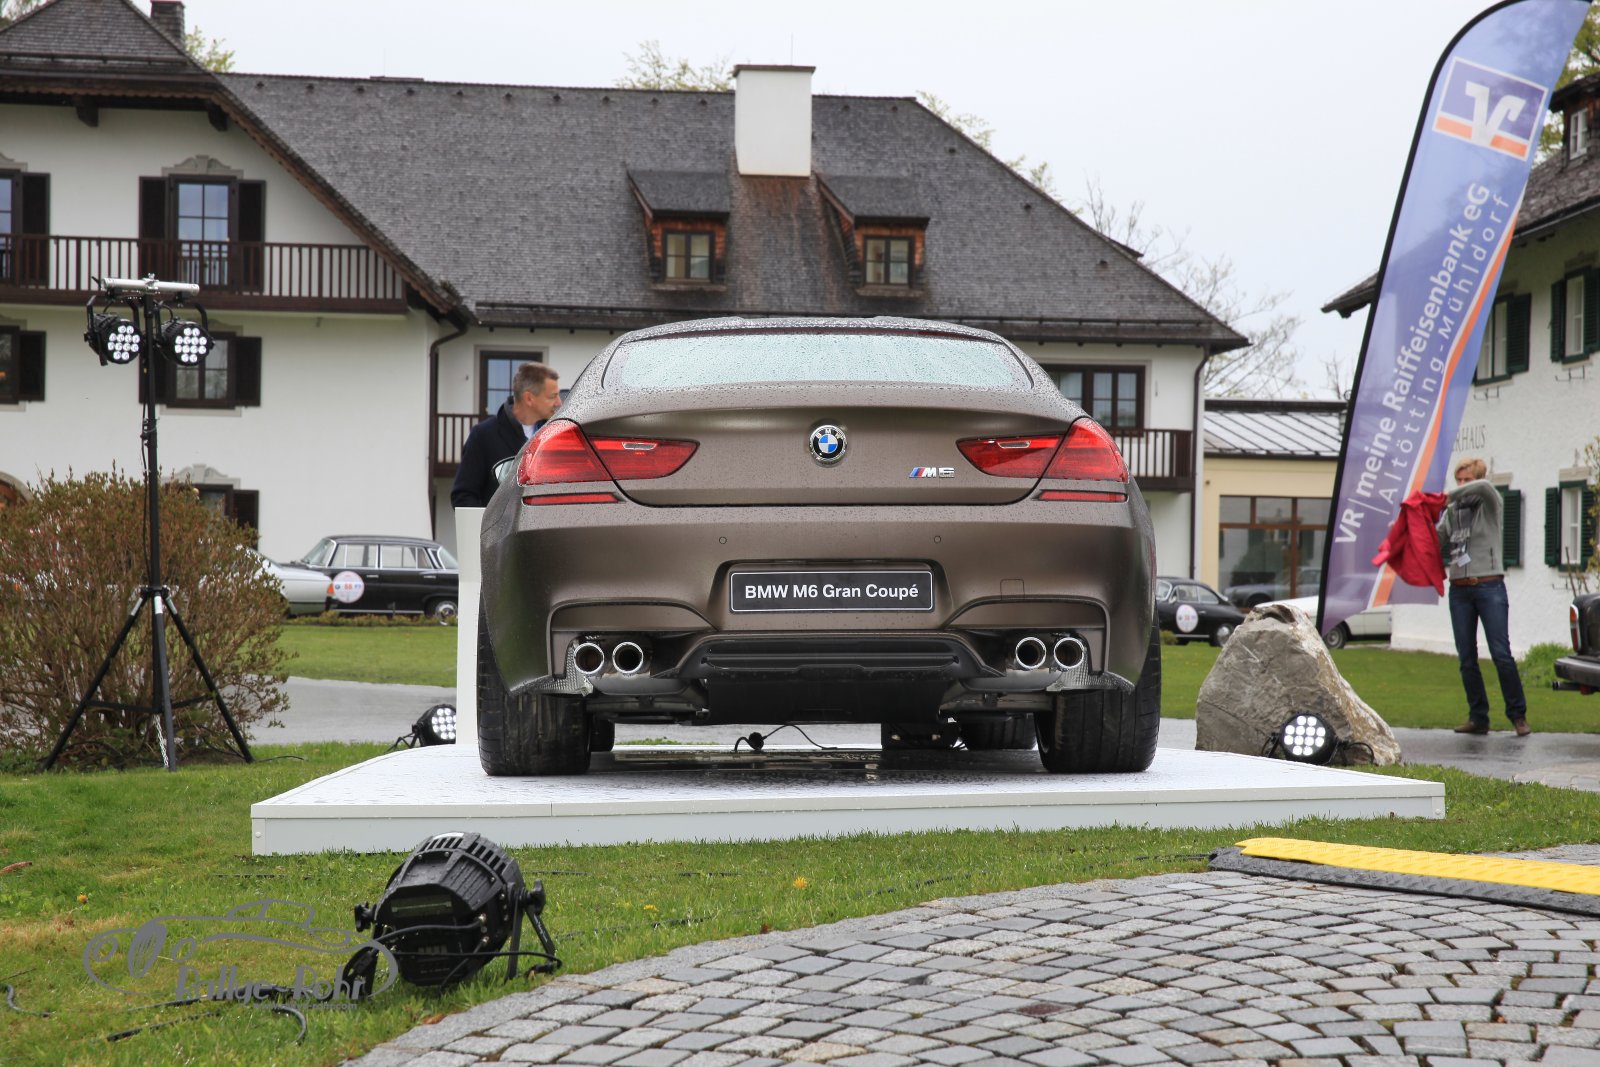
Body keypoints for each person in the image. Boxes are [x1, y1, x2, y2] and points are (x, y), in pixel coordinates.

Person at [1438, 457, 1528, 737]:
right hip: (1459, 590)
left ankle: (1518, 716)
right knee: (1466, 657)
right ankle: (1478, 718)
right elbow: (1436, 540)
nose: (1462, 485)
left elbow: (1484, 487)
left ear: (1477, 479)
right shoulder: (1451, 512)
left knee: (1501, 653)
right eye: (1459, 480)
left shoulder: (1489, 501)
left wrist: (1445, 496)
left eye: (1467, 480)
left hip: (1489, 587)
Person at [450, 362, 560, 507]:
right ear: (529, 398)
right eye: (552, 396)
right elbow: (463, 496)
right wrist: (491, 521)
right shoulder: (483, 436)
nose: (559, 402)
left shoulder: (557, 435)